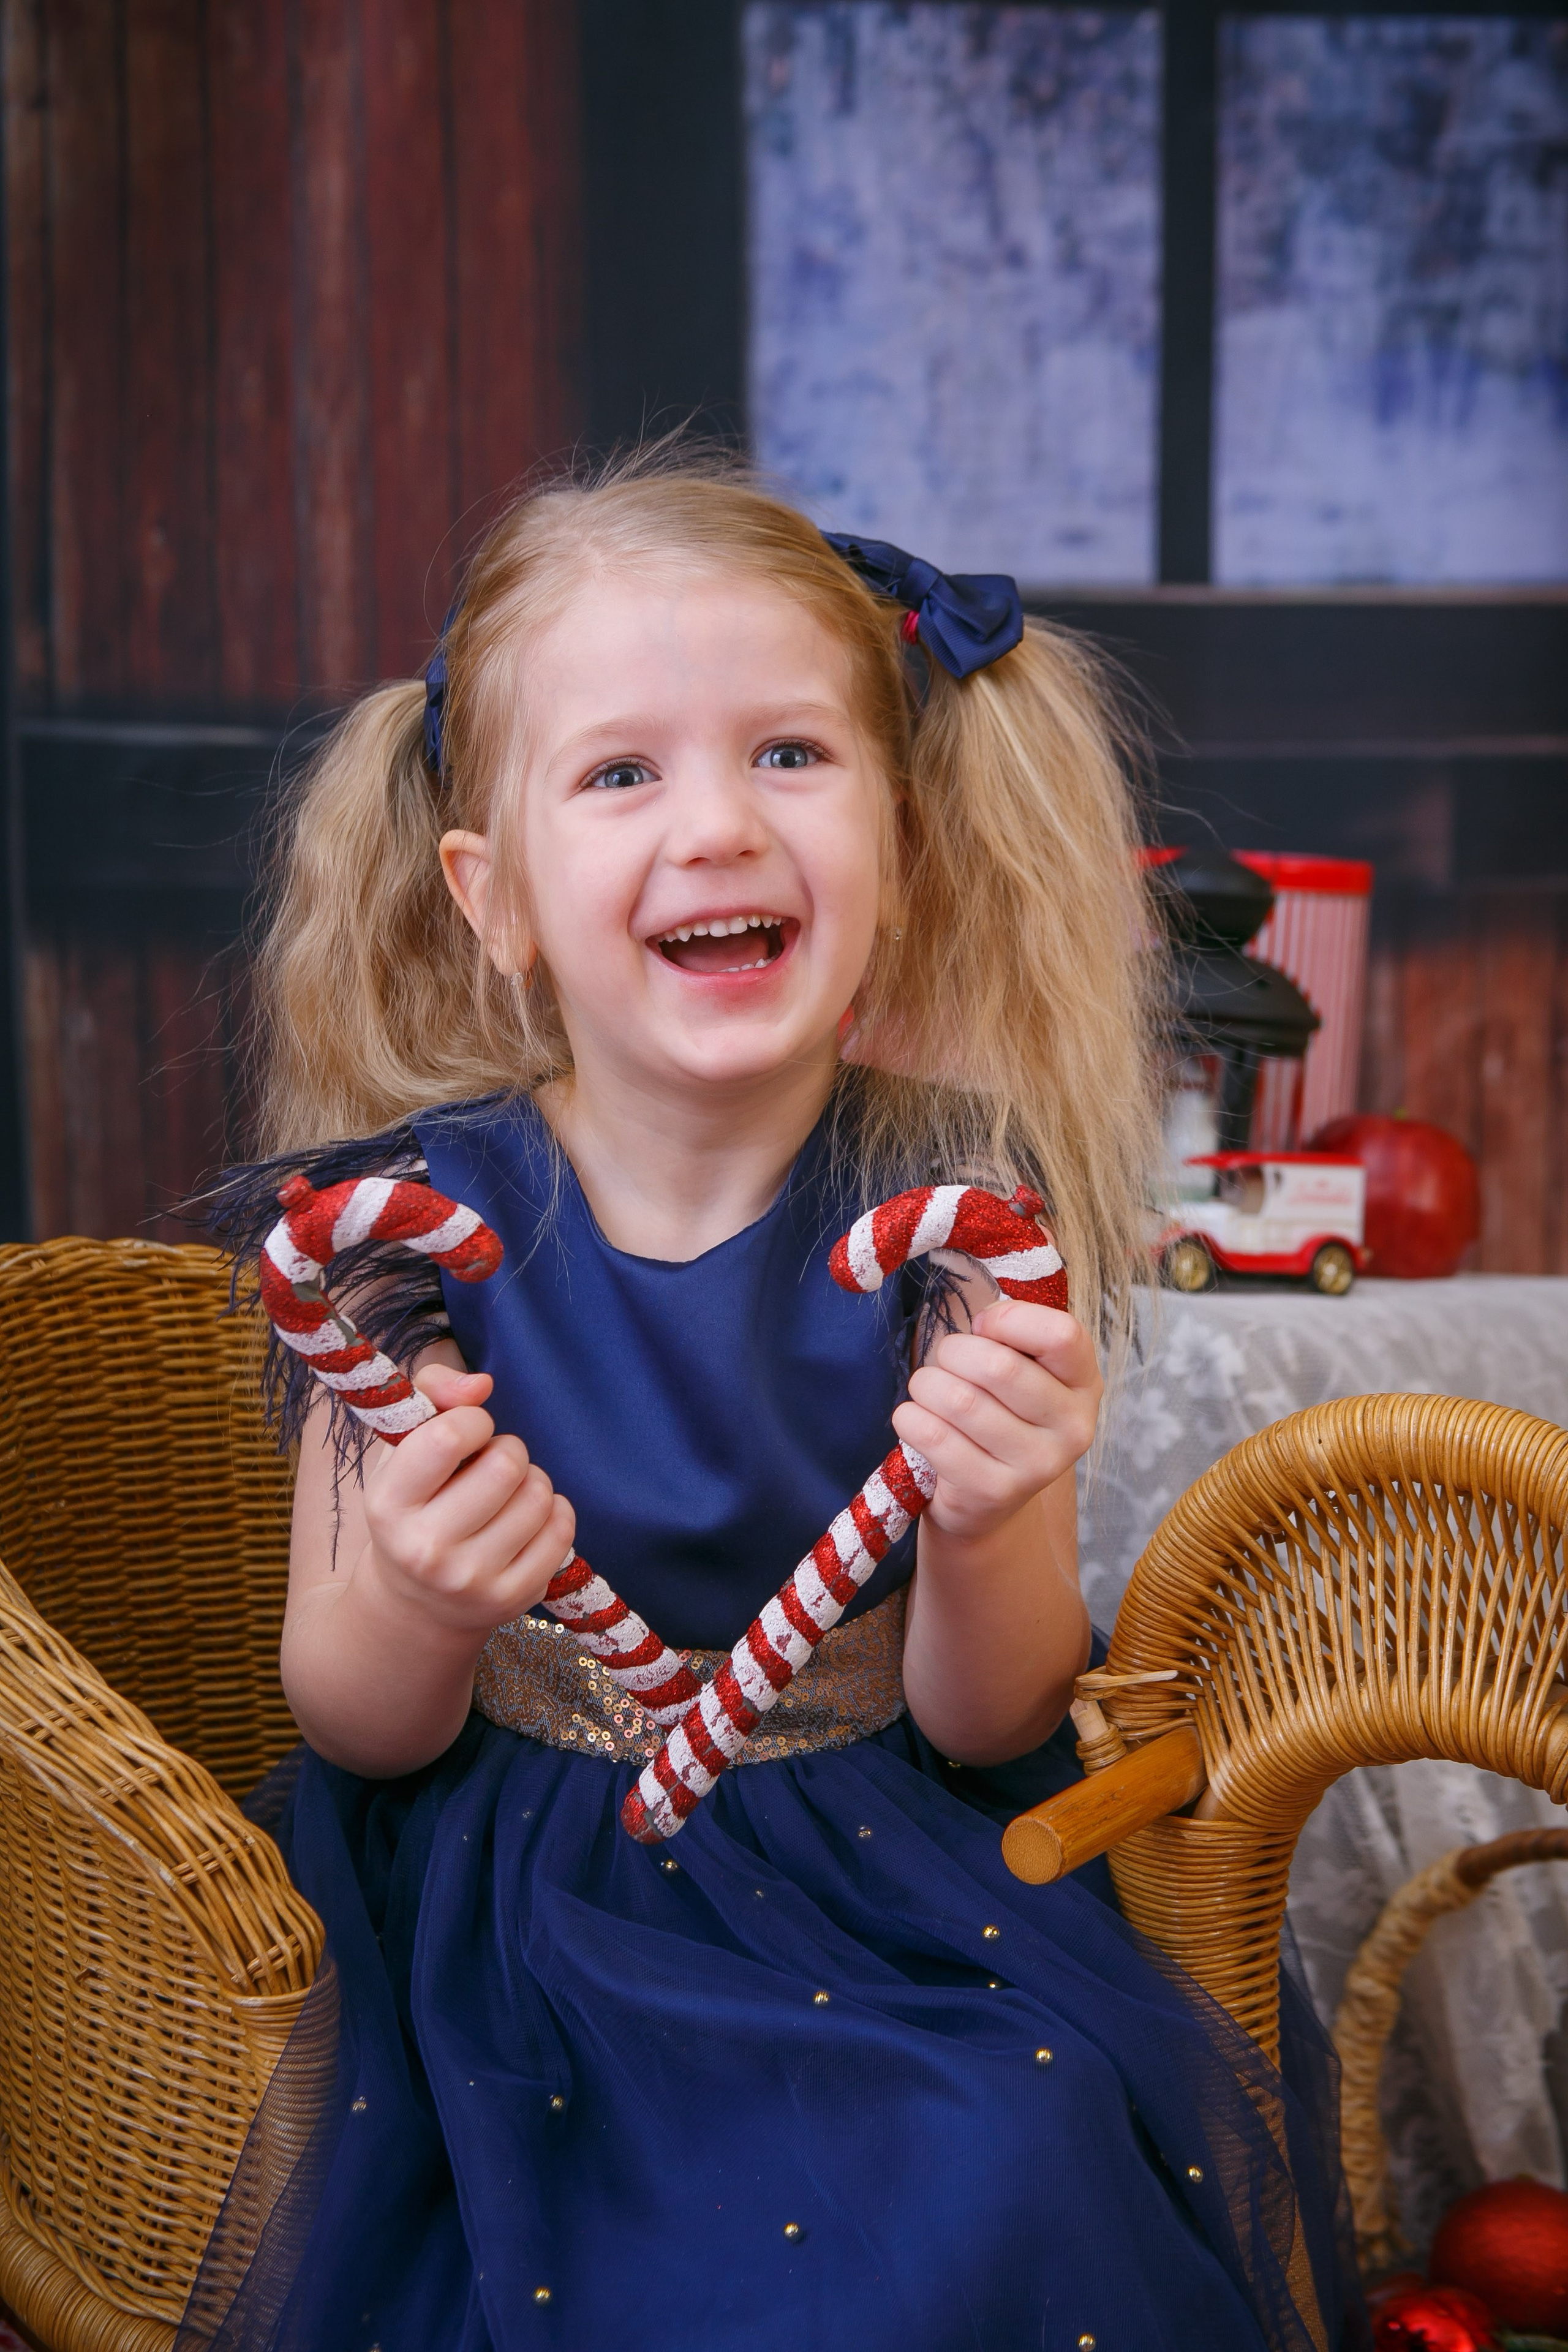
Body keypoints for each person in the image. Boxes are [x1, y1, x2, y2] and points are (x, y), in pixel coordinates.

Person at [197, 453, 1351, 2352]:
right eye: (622, 772)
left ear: (897, 848)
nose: (718, 825)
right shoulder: (396, 1238)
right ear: (495, 899)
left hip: (885, 1873)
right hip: (520, 1895)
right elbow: (357, 1723)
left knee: (1011, 2143)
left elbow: (988, 1720)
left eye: (791, 756)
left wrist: (991, 1511)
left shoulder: (967, 1225)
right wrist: (414, 1592)